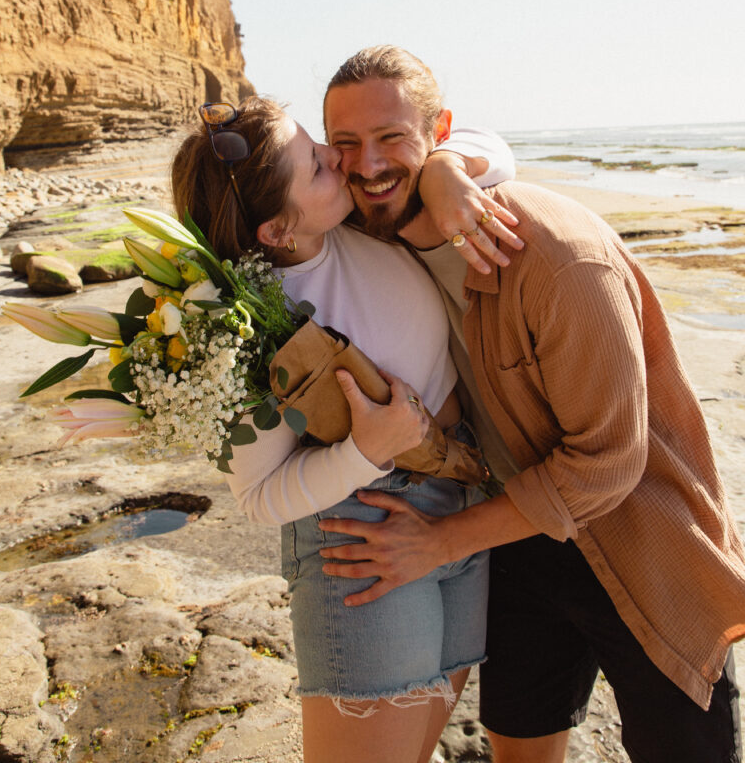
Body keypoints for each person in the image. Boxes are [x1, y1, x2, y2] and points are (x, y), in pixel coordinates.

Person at [318, 45, 745, 763]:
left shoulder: (556, 258)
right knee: (518, 745)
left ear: (438, 132)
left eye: (391, 137)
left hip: (638, 538)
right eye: (346, 145)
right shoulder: (370, 232)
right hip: (516, 535)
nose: (367, 165)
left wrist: (440, 543)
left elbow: (610, 465)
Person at [170, 95, 519, 763]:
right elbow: (258, 497)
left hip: (461, 498)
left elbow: (493, 150)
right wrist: (366, 450)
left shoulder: (359, 220)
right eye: (319, 166)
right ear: (276, 230)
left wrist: (444, 168)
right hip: (367, 531)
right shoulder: (249, 323)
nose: (341, 159)